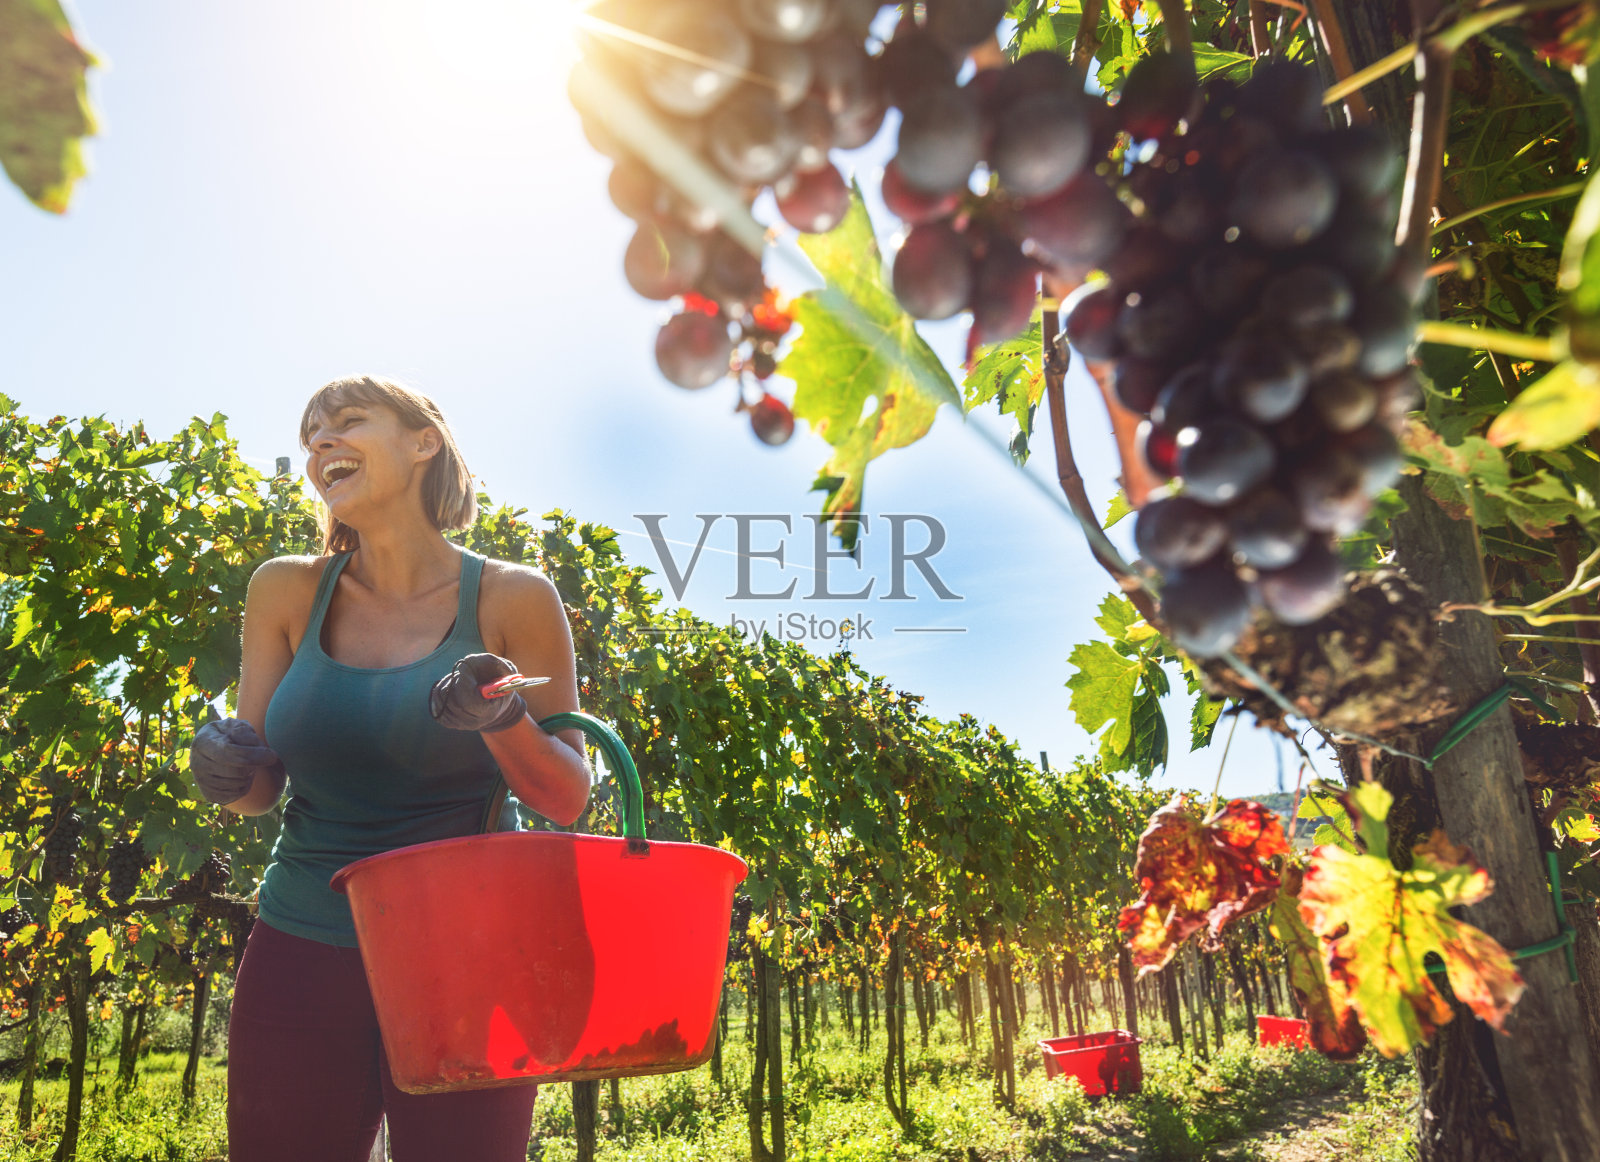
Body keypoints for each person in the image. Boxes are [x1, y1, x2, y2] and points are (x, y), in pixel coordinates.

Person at [188, 375, 591, 1162]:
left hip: (469, 959)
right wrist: (225, 765)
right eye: (311, 437)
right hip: (303, 944)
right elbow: (260, 787)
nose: (320, 445)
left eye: (345, 423)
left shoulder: (514, 598)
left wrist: (503, 719)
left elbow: (566, 798)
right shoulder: (286, 590)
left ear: (422, 442)